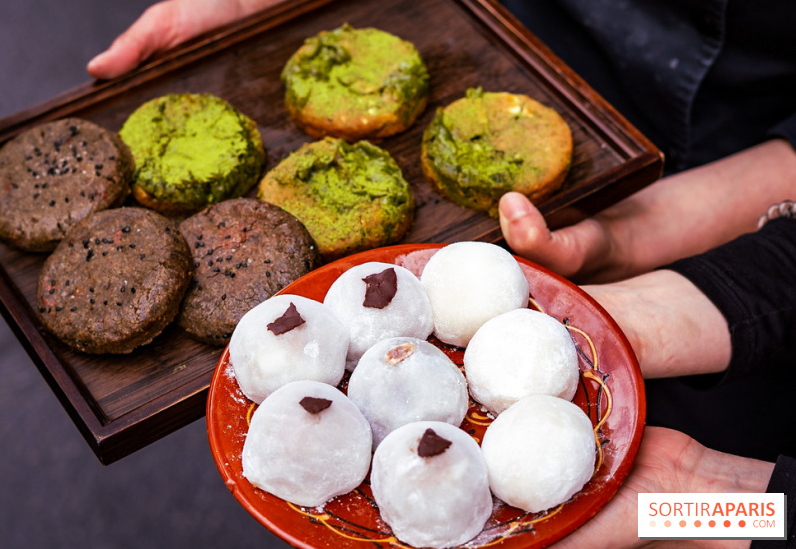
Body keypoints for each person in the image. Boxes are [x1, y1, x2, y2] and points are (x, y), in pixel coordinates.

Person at [86, 0, 796, 545]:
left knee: (698, 456)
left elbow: (716, 499)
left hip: (742, 162)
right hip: (505, 45)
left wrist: (742, 500)